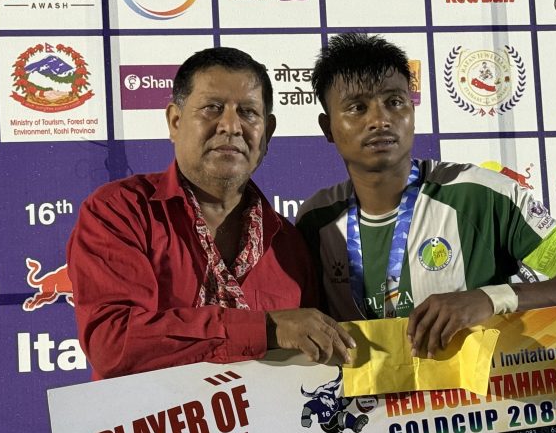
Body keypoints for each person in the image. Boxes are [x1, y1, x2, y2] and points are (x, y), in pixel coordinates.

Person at [296, 33, 556, 358]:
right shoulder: (317, 218)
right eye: (357, 107)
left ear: (412, 111)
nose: (380, 120)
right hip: (369, 398)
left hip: (476, 398)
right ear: (328, 127)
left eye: (394, 102)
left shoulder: (480, 195)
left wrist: (491, 299)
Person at [68, 47, 354, 378]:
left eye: (248, 112)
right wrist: (266, 328)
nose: (231, 126)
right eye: (212, 108)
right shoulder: (120, 211)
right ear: (175, 121)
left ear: (268, 132)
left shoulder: (289, 246)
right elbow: (113, 342)